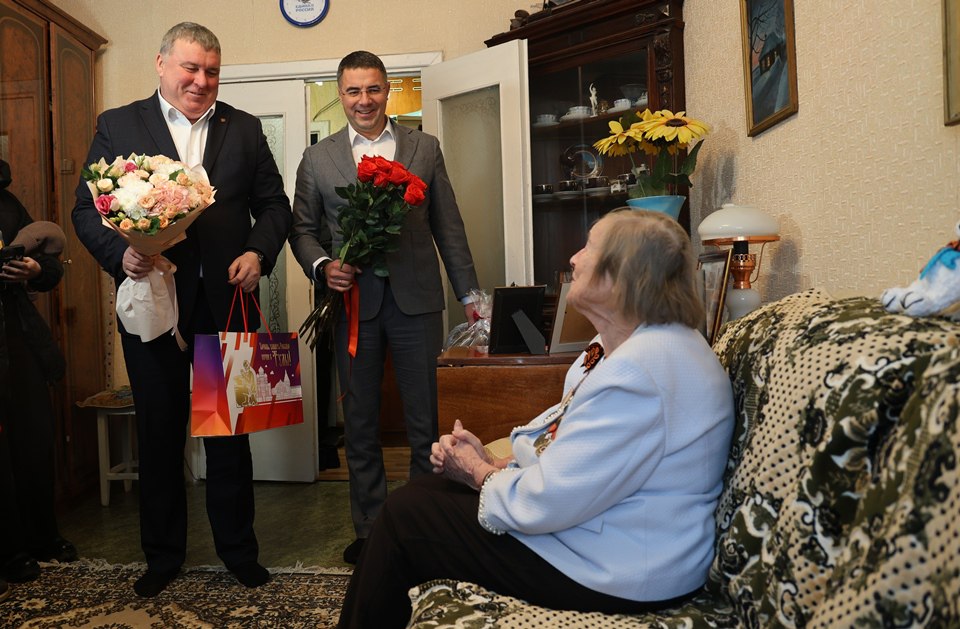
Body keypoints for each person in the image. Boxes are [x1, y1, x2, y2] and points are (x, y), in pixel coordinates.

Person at [337, 210, 736, 627]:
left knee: (405, 516)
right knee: (426, 492)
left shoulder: (640, 371)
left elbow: (551, 498)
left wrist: (477, 473)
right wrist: (497, 464)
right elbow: (578, 446)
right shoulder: (622, 347)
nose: (574, 258)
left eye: (589, 248)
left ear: (621, 276)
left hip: (623, 569)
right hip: (612, 532)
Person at [71, 23, 292, 597]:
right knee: (160, 432)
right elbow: (86, 209)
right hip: (152, 304)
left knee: (230, 435)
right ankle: (162, 556)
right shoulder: (118, 124)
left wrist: (257, 252)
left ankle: (239, 552)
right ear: (162, 64)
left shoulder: (244, 128)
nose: (201, 80)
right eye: (190, 68)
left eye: (211, 71)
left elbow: (274, 205)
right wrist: (120, 254)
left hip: (226, 304)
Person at [289, 51, 479, 564]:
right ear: (340, 94)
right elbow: (302, 231)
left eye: (373, 89)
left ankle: (421, 526)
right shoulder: (317, 158)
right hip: (353, 307)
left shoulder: (424, 147)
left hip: (417, 304)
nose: (364, 100)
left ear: (388, 90)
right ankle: (372, 530)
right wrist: (323, 265)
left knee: (425, 423)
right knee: (360, 425)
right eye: (353, 91)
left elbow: (449, 226)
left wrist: (470, 296)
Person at [0, 160, 77, 584]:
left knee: (33, 438)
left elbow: (49, 265)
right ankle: (10, 552)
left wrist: (33, 270)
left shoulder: (7, 202)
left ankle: (42, 537)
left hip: (17, 335)